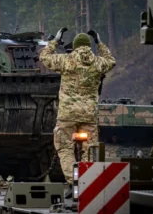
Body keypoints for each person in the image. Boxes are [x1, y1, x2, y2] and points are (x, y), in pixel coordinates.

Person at [39, 29, 116, 198]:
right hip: (89, 114)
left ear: (74, 47)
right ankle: (88, 182)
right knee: (90, 150)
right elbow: (111, 61)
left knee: (65, 148)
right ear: (88, 46)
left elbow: (44, 57)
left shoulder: (67, 60)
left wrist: (55, 42)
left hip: (67, 114)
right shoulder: (97, 63)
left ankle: (74, 181)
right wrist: (100, 43)